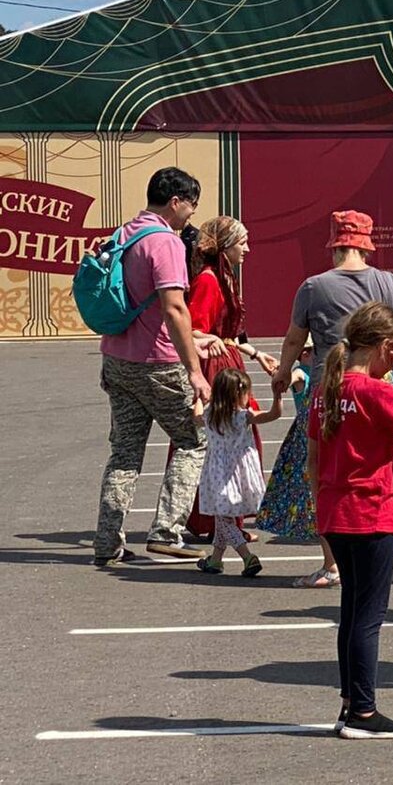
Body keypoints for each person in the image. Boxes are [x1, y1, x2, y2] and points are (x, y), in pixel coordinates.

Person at [271, 210, 393, 588]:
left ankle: (332, 563)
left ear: (335, 245)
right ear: (367, 246)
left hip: (332, 390)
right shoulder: (387, 282)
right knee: (389, 472)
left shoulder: (313, 287)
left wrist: (283, 372)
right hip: (383, 389)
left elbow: (293, 339)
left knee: (324, 472)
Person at [307, 302, 393, 738]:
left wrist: (321, 506)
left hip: (335, 512)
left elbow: (313, 459)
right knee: (367, 618)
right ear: (386, 347)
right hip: (371, 513)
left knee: (351, 614)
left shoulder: (325, 390)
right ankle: (363, 713)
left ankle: (350, 704)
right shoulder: (375, 391)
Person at [94, 167, 211, 567]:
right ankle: (166, 532)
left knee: (124, 453)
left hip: (116, 356)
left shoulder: (123, 234)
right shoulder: (165, 242)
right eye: (191, 205)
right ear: (175, 201)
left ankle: (107, 542)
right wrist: (194, 370)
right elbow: (174, 308)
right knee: (193, 441)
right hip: (157, 363)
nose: (191, 214)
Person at [179, 215, 278, 543]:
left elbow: (227, 335)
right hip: (216, 370)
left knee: (234, 444)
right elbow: (193, 329)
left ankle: (223, 520)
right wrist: (207, 341)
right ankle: (215, 521)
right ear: (225, 246)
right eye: (242, 242)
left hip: (228, 363)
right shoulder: (209, 281)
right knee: (225, 444)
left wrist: (256, 354)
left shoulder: (223, 277)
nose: (247, 249)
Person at [194, 368, 282, 576]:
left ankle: (246, 556)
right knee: (222, 518)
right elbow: (273, 415)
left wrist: (198, 397)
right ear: (239, 394)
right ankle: (216, 560)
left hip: (218, 472)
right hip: (239, 471)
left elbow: (196, 417)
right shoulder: (244, 416)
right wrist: (277, 396)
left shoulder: (209, 414)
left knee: (223, 518)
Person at [255, 338, 317, 540]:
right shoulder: (302, 373)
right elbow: (291, 378)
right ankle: (304, 516)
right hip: (305, 431)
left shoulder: (318, 372)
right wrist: (282, 375)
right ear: (305, 354)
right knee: (305, 475)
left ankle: (311, 515)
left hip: (316, 429)